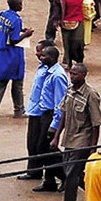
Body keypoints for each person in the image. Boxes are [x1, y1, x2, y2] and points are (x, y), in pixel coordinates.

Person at [50, 63, 101, 201]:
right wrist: (56, 136)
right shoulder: (69, 90)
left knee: (71, 176)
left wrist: (92, 149)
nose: (72, 77)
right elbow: (64, 115)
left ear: (84, 75)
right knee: (76, 174)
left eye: (75, 74)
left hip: (82, 141)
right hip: (69, 139)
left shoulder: (91, 95)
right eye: (71, 74)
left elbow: (96, 124)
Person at [0, 0, 34, 124]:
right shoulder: (17, 19)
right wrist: (26, 34)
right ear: (16, 5)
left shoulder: (3, 15)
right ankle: (19, 109)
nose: (22, 6)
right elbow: (14, 39)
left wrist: (21, 29)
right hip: (13, 54)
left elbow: (8, 30)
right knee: (17, 82)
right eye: (20, 4)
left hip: (1, 52)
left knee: (2, 81)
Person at [24, 45, 67, 191]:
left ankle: (65, 174)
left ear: (52, 58)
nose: (40, 57)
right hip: (41, 113)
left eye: (43, 56)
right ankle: (49, 181)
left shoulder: (58, 75)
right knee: (39, 146)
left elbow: (60, 102)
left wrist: (55, 124)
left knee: (45, 148)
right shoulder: (44, 69)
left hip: (49, 115)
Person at [58, 0, 86, 68]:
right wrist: (57, 20)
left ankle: (79, 61)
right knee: (67, 43)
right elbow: (58, 6)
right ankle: (68, 63)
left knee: (79, 42)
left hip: (79, 19)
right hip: (66, 20)